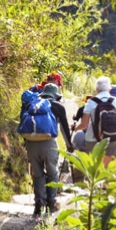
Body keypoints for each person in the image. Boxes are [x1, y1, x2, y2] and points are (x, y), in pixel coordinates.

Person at [26, 83, 72, 217]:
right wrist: (69, 144)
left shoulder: (32, 104)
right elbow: (64, 128)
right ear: (55, 95)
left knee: (37, 174)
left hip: (31, 143)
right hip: (49, 143)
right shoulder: (58, 107)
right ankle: (51, 203)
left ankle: (39, 205)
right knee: (52, 172)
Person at [73, 77, 116, 167]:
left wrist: (75, 129)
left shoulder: (91, 102)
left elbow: (84, 125)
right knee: (106, 169)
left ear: (97, 89)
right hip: (112, 139)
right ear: (109, 89)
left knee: (94, 168)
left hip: (92, 139)